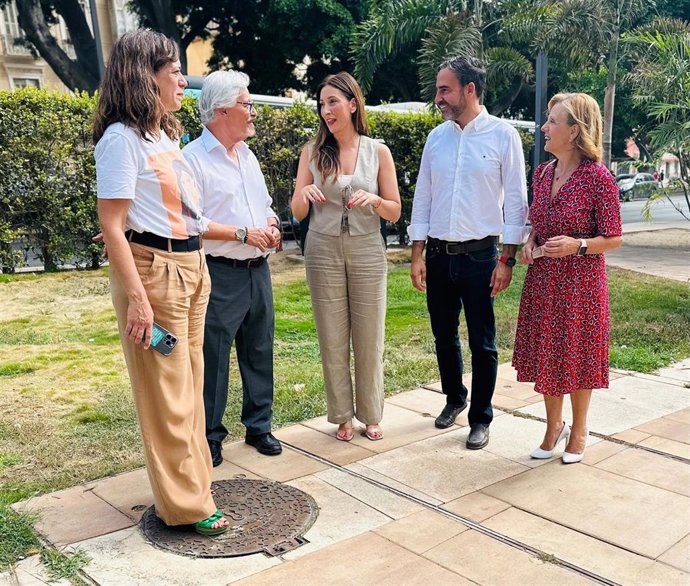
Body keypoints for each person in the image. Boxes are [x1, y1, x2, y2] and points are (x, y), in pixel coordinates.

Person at [94, 30, 228, 535]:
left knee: (189, 389)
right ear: (143, 76)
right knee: (168, 395)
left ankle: (197, 487)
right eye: (173, 70)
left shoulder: (163, 137)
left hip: (191, 270)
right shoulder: (119, 141)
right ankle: (186, 506)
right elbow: (113, 225)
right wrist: (138, 302)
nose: (182, 80)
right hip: (155, 273)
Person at [408, 56, 529, 450]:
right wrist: (417, 253)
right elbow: (422, 198)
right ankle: (454, 397)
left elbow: (516, 201)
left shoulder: (502, 136)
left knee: (483, 341)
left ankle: (481, 417)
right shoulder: (436, 139)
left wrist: (506, 259)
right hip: (440, 256)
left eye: (444, 89)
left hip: (481, 257)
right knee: (443, 334)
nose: (438, 97)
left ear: (469, 90)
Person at [513, 93, 622, 464]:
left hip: (581, 285)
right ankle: (552, 427)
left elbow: (614, 237)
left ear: (574, 131)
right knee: (548, 354)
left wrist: (578, 245)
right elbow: (536, 224)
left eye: (553, 122)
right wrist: (530, 243)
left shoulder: (599, 178)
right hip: (544, 280)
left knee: (577, 356)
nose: (544, 128)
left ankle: (579, 430)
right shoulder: (543, 173)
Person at [291, 72, 401, 442]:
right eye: (322, 104)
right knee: (331, 335)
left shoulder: (378, 151)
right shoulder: (311, 151)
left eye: (333, 102)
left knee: (370, 335)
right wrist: (304, 192)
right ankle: (341, 415)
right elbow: (297, 212)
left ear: (353, 104)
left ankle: (371, 413)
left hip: (368, 248)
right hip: (321, 251)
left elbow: (396, 211)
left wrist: (375, 201)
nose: (326, 111)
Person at [182, 71, 282, 464]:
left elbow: (266, 205)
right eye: (247, 104)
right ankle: (210, 436)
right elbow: (193, 223)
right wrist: (243, 234)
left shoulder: (248, 156)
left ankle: (260, 426)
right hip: (220, 271)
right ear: (222, 110)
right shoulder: (191, 160)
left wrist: (271, 225)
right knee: (215, 355)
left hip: (259, 270)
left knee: (260, 348)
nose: (253, 112)